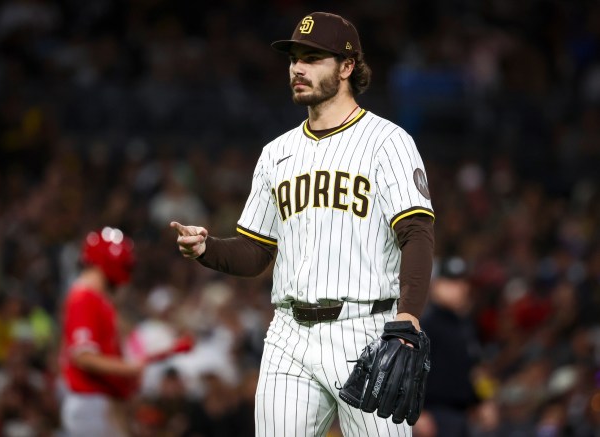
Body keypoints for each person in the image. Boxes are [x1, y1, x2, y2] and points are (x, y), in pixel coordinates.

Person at [171, 11, 435, 436]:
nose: (297, 68)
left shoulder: (389, 142)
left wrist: (408, 317)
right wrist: (208, 249)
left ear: (347, 67)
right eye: (295, 57)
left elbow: (417, 234)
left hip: (366, 330)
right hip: (289, 335)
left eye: (313, 58)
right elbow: (257, 252)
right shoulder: (277, 153)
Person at [58, 227, 143, 437]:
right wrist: (128, 368)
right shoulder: (83, 297)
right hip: (88, 402)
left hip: (98, 402)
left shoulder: (97, 298)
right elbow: (83, 357)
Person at [419, 256, 482, 437]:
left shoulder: (465, 325)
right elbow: (411, 371)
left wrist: (483, 400)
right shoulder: (426, 325)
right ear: (436, 285)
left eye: (462, 282)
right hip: (433, 415)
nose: (459, 288)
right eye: (451, 282)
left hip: (462, 414)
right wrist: (417, 413)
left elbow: (475, 369)